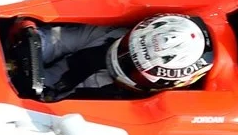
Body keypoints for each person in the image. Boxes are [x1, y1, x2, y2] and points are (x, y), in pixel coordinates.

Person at [18, 13, 214, 101]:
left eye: (132, 65)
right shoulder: (113, 34)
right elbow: (56, 40)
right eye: (127, 48)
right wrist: (28, 47)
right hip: (40, 82)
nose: (121, 59)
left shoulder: (144, 105)